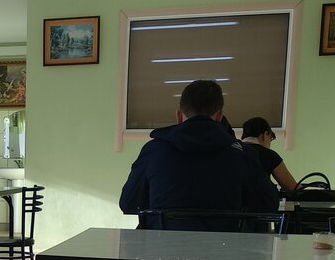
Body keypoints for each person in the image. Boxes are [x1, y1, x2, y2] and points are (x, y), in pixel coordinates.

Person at [118, 80, 277, 230]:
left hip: (161, 246)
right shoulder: (243, 154)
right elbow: (268, 205)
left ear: (179, 116)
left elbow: (128, 203)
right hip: (224, 247)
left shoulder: (154, 150)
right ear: (219, 117)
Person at [240, 117, 298, 191]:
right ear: (265, 134)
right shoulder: (269, 155)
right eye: (270, 139)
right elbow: (292, 187)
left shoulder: (231, 151)